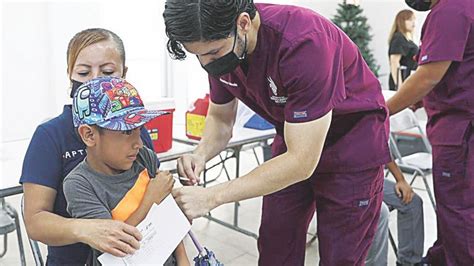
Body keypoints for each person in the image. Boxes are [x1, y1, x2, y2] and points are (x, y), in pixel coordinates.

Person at [164, 1, 392, 264]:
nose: (207, 63)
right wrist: (200, 154)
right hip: (293, 136)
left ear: (243, 24)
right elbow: (220, 117)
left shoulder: (304, 42)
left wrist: (213, 197)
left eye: (213, 53)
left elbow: (301, 162)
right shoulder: (221, 44)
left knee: (341, 255)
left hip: (350, 144)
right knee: (275, 243)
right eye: (198, 55)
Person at [20, 28, 154, 265]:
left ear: (124, 74)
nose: (94, 80)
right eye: (83, 72)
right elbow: (35, 221)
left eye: (108, 71)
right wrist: (86, 229)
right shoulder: (50, 136)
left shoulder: (135, 130)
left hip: (140, 255)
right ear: (70, 74)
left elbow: (155, 193)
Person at [63, 76, 189, 266]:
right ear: (89, 135)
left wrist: (182, 259)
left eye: (140, 130)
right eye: (127, 132)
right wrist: (151, 199)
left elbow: (168, 217)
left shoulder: (144, 157)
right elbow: (116, 247)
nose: (138, 143)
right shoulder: (80, 184)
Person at [387, 0, 474, 264]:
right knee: (456, 212)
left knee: (458, 213)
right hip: (455, 129)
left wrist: (380, 110)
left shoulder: (450, 10)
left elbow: (427, 77)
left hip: (460, 133)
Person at [366, 161, 424, 266]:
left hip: (371, 178)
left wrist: (400, 179)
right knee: (380, 211)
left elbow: (383, 149)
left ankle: (408, 262)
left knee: (412, 202)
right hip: (343, 180)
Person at [388, 9, 419, 91]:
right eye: (410, 19)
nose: (413, 22)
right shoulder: (398, 38)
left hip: (409, 80)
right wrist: (399, 86)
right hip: (403, 81)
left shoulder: (408, 39)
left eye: (414, 19)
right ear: (402, 21)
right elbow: (394, 63)